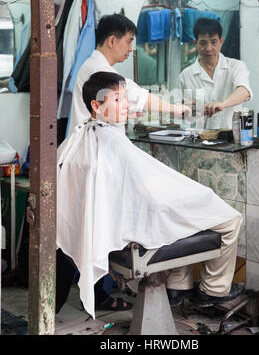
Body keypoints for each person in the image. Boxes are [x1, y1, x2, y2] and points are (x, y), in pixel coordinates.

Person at [57, 71, 244, 319]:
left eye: (125, 98)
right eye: (116, 100)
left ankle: (179, 285)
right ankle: (214, 290)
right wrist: (190, 195)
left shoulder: (82, 136)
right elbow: (149, 192)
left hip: (112, 225)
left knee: (185, 216)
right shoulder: (112, 141)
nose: (125, 105)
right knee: (229, 219)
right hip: (132, 229)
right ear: (96, 105)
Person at [68, 13, 190, 136]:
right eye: (129, 41)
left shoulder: (93, 64)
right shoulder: (98, 70)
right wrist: (174, 108)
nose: (131, 49)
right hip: (92, 146)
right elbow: (135, 96)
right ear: (112, 41)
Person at [177, 18, 252, 130]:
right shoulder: (185, 76)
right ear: (195, 43)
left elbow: (244, 91)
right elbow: (178, 112)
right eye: (203, 43)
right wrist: (187, 109)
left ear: (221, 42)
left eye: (213, 42)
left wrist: (222, 104)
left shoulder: (236, 66)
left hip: (232, 137)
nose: (209, 48)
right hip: (198, 139)